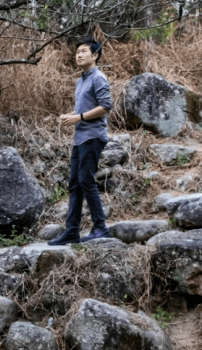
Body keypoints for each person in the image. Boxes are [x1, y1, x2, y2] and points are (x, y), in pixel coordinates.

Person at [49, 36, 112, 245]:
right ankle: (72, 231)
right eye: (77, 52)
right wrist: (71, 116)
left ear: (94, 55)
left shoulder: (98, 77)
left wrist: (79, 117)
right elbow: (84, 109)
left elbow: (105, 106)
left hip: (94, 136)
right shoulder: (80, 80)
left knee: (85, 180)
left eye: (84, 51)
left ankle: (101, 227)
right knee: (75, 184)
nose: (79, 55)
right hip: (80, 137)